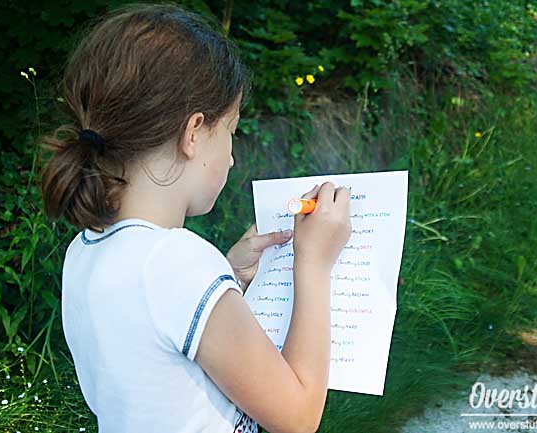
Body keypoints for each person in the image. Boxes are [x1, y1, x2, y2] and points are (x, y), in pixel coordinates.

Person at [38, 3, 352, 433]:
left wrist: (229, 277)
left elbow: (157, 343)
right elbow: (297, 417)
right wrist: (313, 263)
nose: (232, 156)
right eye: (231, 131)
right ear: (193, 133)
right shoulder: (178, 263)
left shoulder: (86, 249)